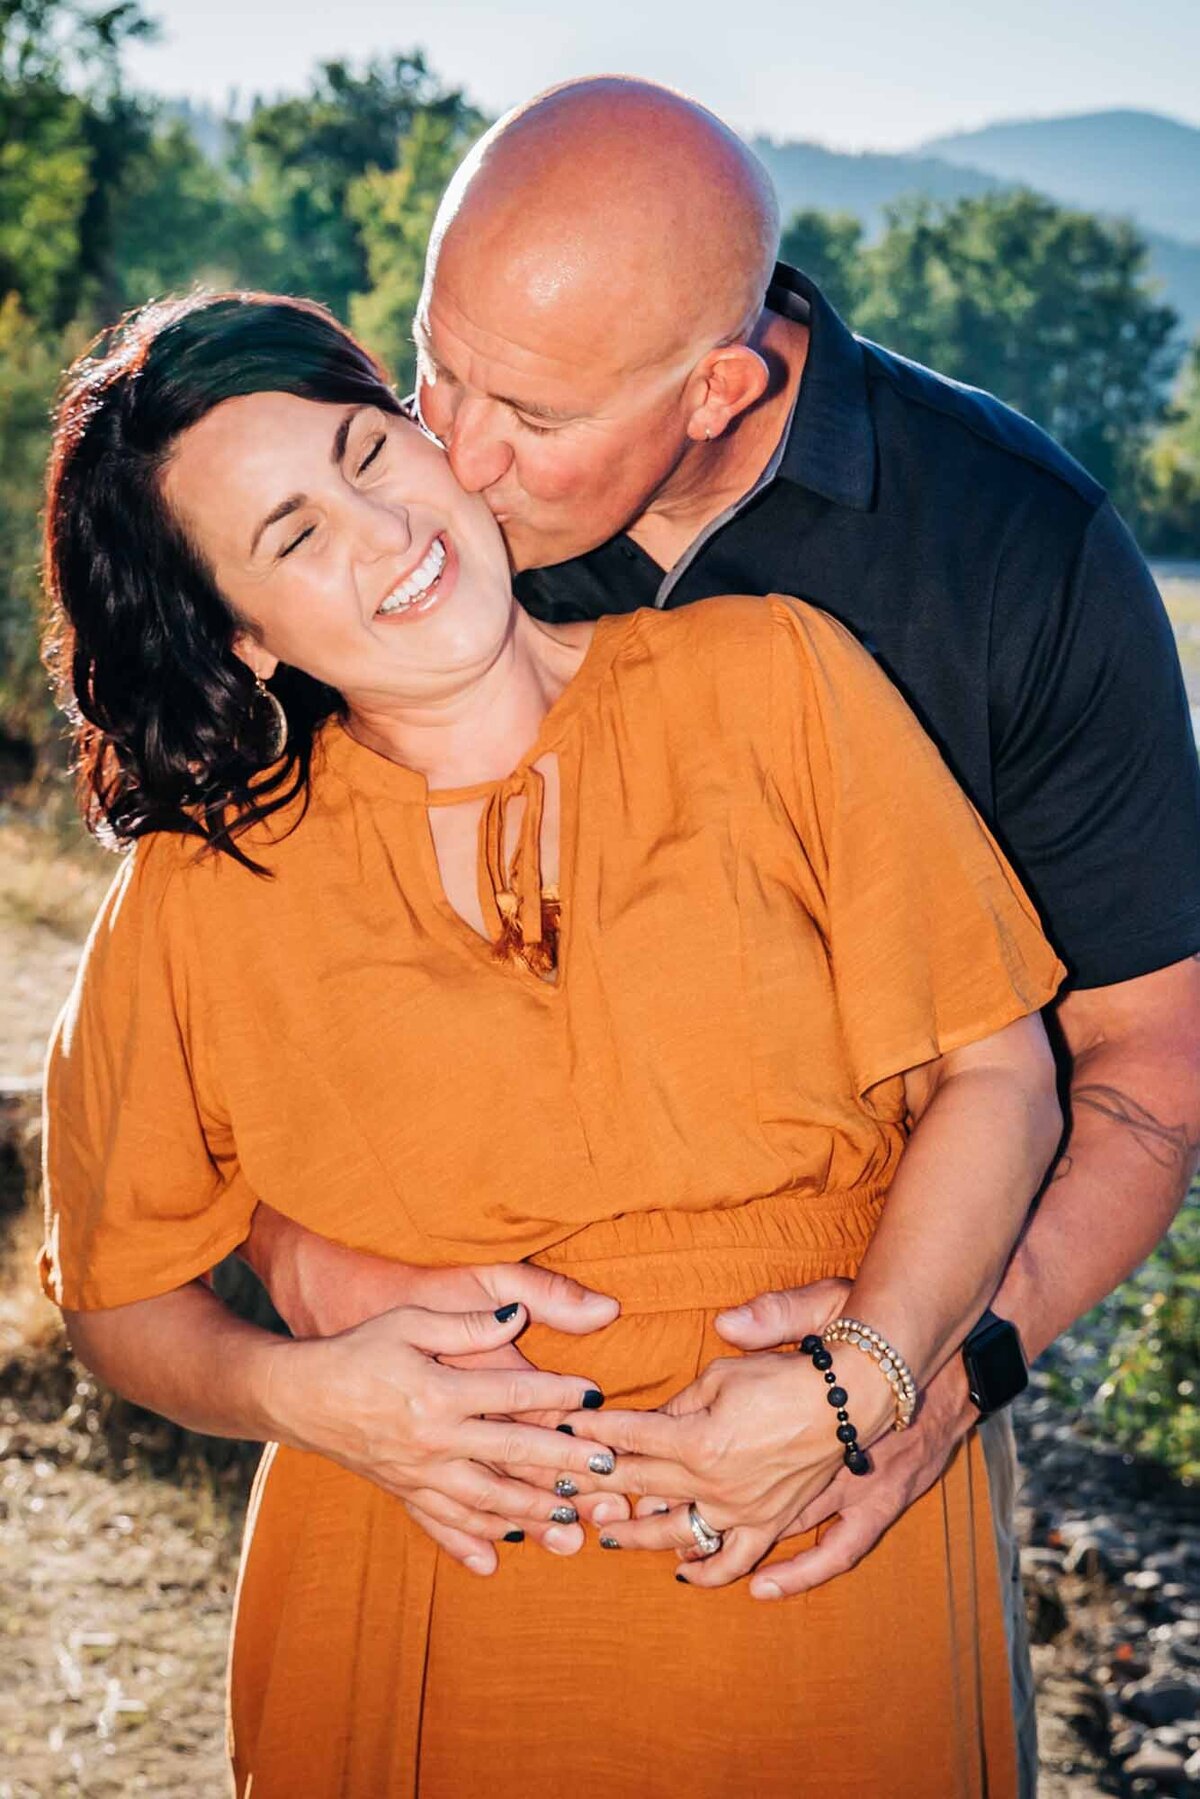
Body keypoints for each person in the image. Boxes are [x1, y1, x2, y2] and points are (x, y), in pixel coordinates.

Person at [237, 78, 1200, 1791]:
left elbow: (1144, 1075)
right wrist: (311, 1278)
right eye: (432, 361)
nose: (452, 452)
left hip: (844, 1476)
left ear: (720, 387)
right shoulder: (391, 535)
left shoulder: (1015, 556)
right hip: (449, 1499)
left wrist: (925, 1389)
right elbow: (231, 1003)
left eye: (526, 410)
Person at [40, 291, 1066, 1796]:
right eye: (295, 537)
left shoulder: (775, 678)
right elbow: (120, 1298)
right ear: (242, 636)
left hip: (813, 1548)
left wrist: (862, 1381)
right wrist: (300, 1394)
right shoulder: (200, 893)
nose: (385, 534)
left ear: (432, 433)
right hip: (426, 1587)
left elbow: (1002, 1077)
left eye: (365, 454)